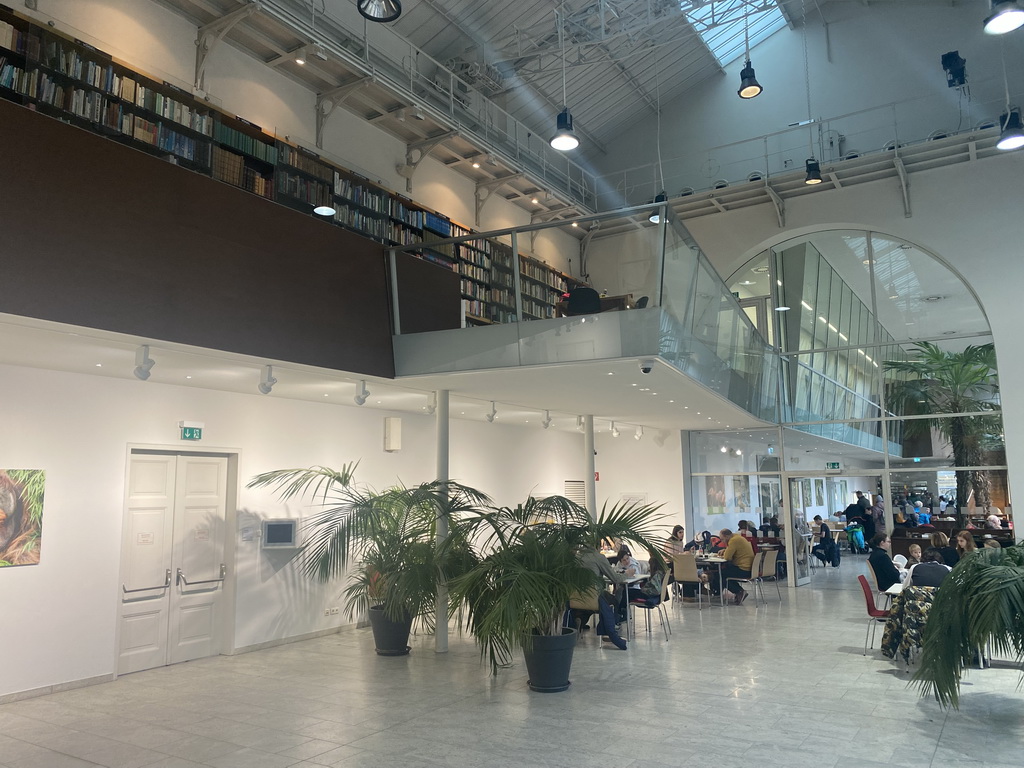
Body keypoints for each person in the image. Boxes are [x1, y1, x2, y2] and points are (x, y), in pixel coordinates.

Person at [578, 545, 628, 650]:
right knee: (614, 600)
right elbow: (615, 579)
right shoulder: (598, 557)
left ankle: (580, 622)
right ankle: (611, 629)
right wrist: (627, 574)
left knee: (597, 603)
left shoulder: (576, 557)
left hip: (576, 597)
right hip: (594, 596)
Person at [718, 528, 754, 605]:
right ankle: (738, 592)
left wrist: (725, 552)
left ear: (727, 537)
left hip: (743, 569)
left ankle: (739, 591)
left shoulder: (733, 541)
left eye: (722, 539)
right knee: (725, 572)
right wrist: (725, 550)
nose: (722, 541)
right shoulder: (737, 537)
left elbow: (727, 557)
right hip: (749, 568)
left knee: (720, 575)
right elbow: (734, 550)